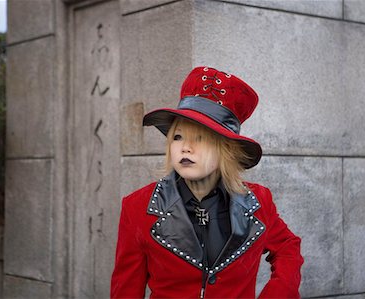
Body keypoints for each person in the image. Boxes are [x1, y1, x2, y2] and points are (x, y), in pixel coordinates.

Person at [111, 66, 304, 298]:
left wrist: (278, 293)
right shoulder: (137, 206)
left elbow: (287, 248)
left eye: (201, 138)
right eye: (178, 136)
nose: (185, 147)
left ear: (227, 150)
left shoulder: (258, 201)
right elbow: (125, 290)